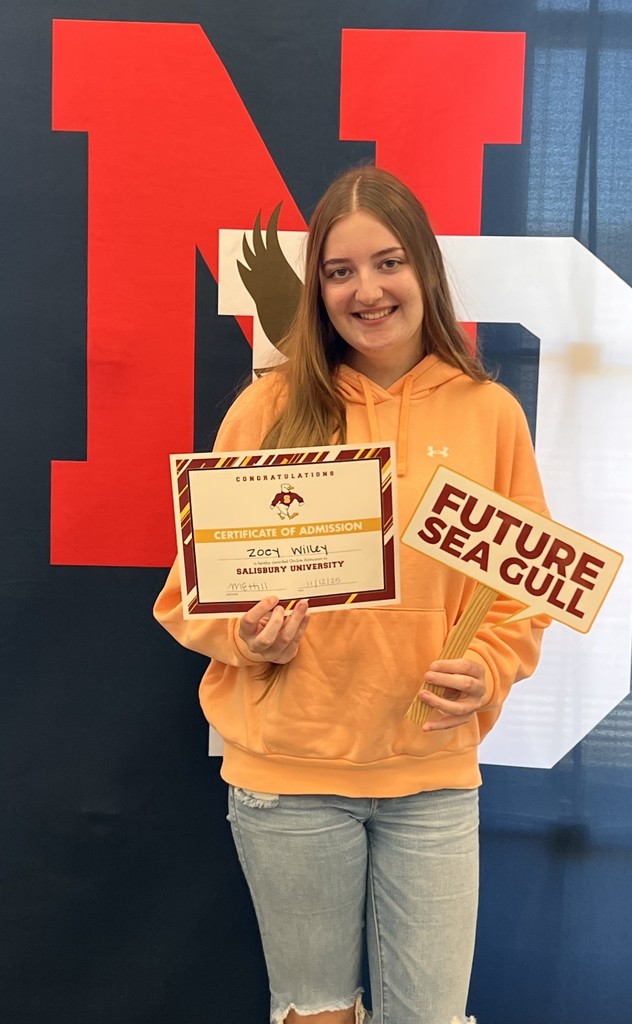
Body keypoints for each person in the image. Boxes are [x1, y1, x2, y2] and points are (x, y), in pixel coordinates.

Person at [154, 166, 550, 1024]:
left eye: (389, 262)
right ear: (316, 290)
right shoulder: (266, 409)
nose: (366, 290)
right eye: (339, 272)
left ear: (427, 274)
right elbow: (192, 593)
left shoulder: (489, 414)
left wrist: (487, 668)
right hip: (287, 779)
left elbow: (520, 590)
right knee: (314, 1015)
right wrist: (249, 640)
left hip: (432, 777)